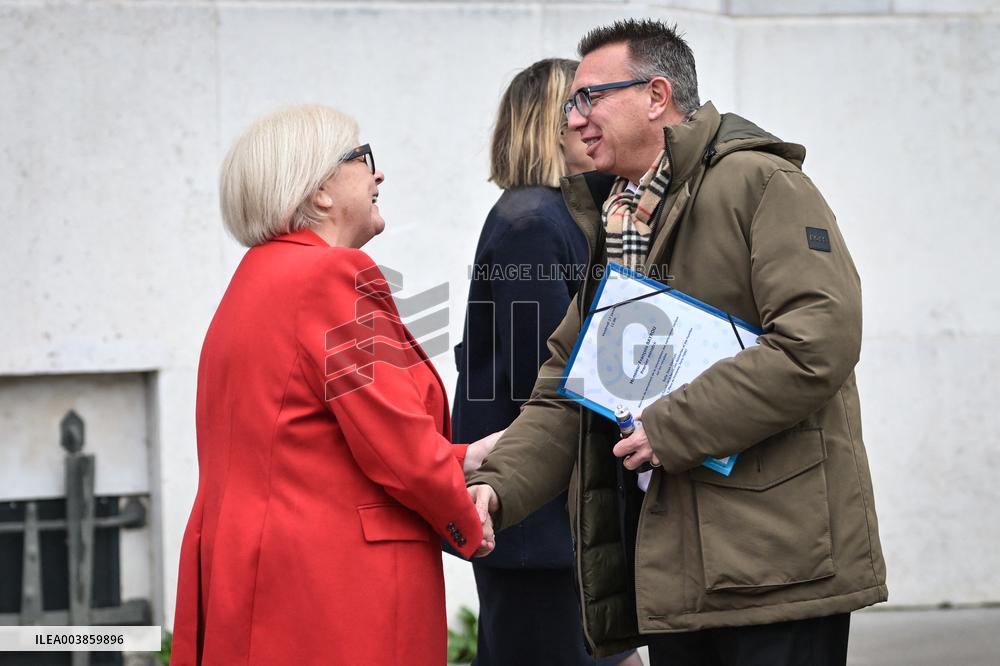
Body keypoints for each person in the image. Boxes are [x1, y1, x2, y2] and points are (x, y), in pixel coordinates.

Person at [468, 19, 887, 666]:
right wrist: (497, 486)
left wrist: (673, 425)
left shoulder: (761, 185)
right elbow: (570, 385)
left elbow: (816, 342)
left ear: (657, 96)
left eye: (589, 98)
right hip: (672, 576)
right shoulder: (620, 218)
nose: (573, 119)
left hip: (777, 570)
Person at [170, 105, 499, 666]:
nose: (378, 175)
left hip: (259, 580)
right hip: (336, 589)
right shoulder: (329, 276)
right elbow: (394, 441)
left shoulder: (255, 279)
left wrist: (462, 457)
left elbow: (306, 439)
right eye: (362, 158)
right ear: (320, 191)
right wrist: (466, 516)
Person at [453, 58, 641, 666]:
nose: (596, 118)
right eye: (582, 103)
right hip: (540, 528)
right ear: (550, 123)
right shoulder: (532, 222)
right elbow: (546, 372)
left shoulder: (557, 214)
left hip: (548, 522)